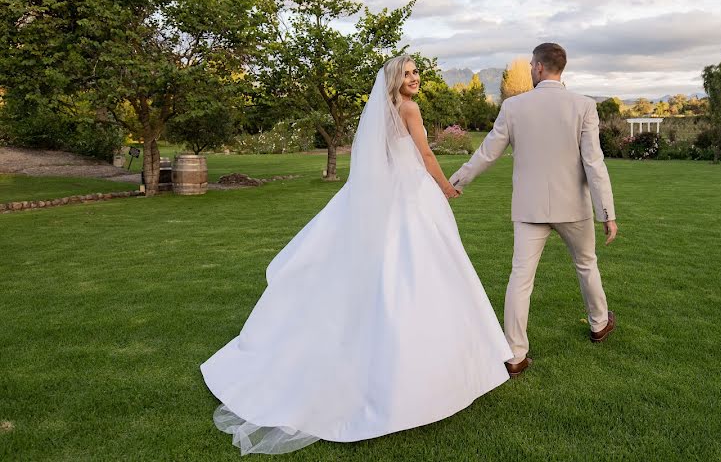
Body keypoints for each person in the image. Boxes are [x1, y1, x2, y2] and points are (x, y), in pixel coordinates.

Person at [201, 54, 512, 455]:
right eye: (409, 72)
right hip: (411, 196)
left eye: (418, 72)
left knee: (389, 268)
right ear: (396, 79)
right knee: (422, 272)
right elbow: (426, 156)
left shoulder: (382, 112)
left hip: (391, 194)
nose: (416, 78)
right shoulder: (409, 109)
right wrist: (446, 189)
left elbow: (379, 161)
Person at [449, 42, 618, 378]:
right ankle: (599, 324)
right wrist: (607, 213)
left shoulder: (514, 107)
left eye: (530, 65)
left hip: (529, 209)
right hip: (574, 208)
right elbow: (593, 163)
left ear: (540, 67)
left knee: (520, 279)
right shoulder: (584, 106)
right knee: (586, 264)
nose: (529, 69)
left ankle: (515, 355)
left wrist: (457, 181)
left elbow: (487, 153)